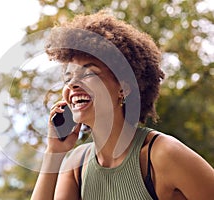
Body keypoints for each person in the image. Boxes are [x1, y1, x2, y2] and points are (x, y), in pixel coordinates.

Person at [31, 10, 214, 200]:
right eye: (68, 78)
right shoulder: (77, 165)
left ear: (123, 88)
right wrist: (54, 152)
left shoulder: (163, 155)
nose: (74, 84)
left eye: (88, 74)